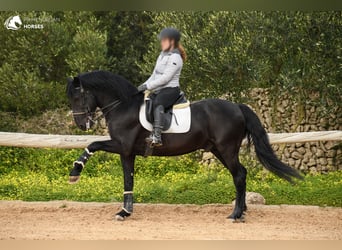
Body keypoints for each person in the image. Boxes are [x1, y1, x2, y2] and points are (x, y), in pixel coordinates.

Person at [137, 27, 186, 147]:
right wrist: (142, 86)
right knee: (145, 101)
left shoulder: (176, 58)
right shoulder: (162, 55)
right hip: (160, 89)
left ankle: (157, 136)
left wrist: (147, 86)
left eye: (164, 40)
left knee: (157, 103)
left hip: (171, 90)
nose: (161, 43)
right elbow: (154, 75)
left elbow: (165, 78)